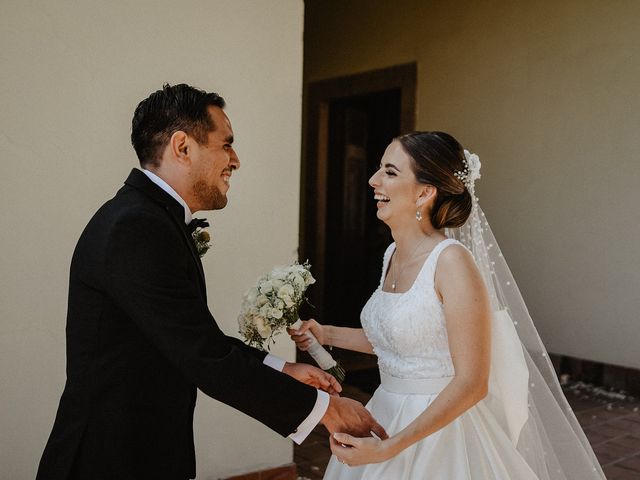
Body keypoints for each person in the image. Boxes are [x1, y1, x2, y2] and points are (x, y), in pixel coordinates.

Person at [36, 83, 386, 480]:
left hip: (144, 450)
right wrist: (326, 409)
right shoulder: (136, 227)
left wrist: (282, 369)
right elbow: (202, 356)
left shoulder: (150, 218)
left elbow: (191, 337)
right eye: (226, 144)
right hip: (108, 457)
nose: (235, 160)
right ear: (182, 147)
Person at [290, 132, 606, 479]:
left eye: (390, 172)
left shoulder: (452, 263)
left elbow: (472, 382)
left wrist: (390, 448)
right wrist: (325, 333)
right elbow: (400, 342)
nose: (373, 180)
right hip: (384, 412)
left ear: (425, 193)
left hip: (439, 429)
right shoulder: (393, 254)